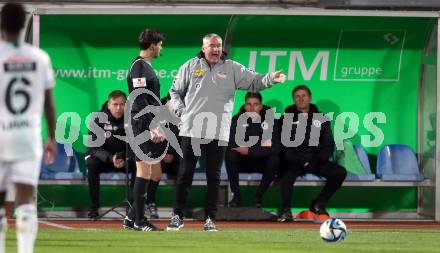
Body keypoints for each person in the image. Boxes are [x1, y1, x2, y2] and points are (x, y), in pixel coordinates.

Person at [168, 33, 286, 231]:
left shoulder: (232, 67)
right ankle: (177, 217)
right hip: (192, 129)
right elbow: (174, 92)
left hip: (218, 131)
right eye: (212, 46)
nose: (216, 49)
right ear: (203, 47)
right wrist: (182, 112)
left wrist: (271, 78)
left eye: (219, 46)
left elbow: (255, 82)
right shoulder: (189, 66)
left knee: (213, 177)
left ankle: (210, 219)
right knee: (185, 174)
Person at [0, 3, 57, 253]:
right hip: (28, 136)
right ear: (23, 25)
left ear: (1, 25)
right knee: (25, 199)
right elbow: (48, 102)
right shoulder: (39, 57)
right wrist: (52, 137)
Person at [278, 85, 347, 222]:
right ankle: (286, 210)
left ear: (309, 98)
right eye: (297, 96)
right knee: (286, 176)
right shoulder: (285, 119)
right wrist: (302, 161)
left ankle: (319, 203)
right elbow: (284, 146)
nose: (301, 99)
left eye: (304, 95)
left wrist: (316, 160)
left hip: (316, 160)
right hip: (295, 161)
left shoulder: (322, 118)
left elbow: (328, 144)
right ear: (293, 99)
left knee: (339, 172)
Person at [124, 28, 165, 232]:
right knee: (144, 170)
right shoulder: (139, 67)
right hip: (140, 125)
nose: (161, 48)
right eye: (159, 45)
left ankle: (132, 219)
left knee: (150, 170)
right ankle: (139, 221)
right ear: (151, 46)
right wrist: (151, 127)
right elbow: (140, 99)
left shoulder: (144, 66)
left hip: (145, 123)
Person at [85, 90, 136, 220]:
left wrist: (124, 157)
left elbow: (137, 145)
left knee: (140, 164)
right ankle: (94, 207)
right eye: (115, 104)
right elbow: (93, 147)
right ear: (108, 104)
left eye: (122, 104)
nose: (119, 108)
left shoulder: (133, 119)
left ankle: (134, 207)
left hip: (126, 159)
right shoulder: (97, 118)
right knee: (91, 163)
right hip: (105, 160)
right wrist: (110, 158)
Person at [225, 92, 280, 208]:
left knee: (274, 159)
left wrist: (250, 151)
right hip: (243, 161)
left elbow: (273, 147)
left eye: (255, 104)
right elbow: (232, 144)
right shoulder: (236, 120)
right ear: (245, 106)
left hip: (261, 161)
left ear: (260, 106)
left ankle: (258, 197)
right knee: (230, 155)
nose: (251, 108)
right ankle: (236, 197)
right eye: (248, 104)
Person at [144, 94, 181, 219]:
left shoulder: (186, 119)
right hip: (159, 158)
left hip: (177, 159)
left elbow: (188, 145)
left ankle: (178, 208)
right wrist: (162, 154)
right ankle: (150, 203)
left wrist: (174, 156)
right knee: (154, 168)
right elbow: (149, 141)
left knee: (185, 169)